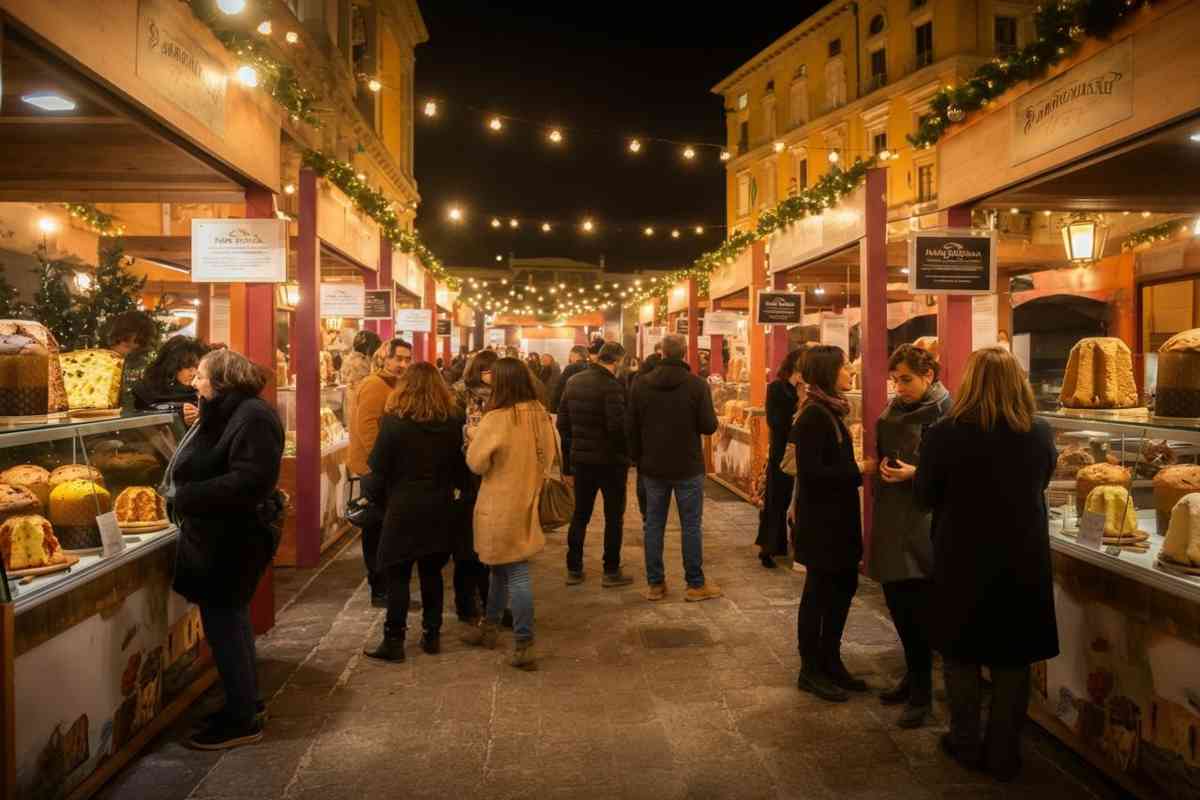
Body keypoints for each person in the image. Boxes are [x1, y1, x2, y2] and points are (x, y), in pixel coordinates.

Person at [914, 347, 1058, 780]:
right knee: (1013, 659)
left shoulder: (943, 433)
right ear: (1019, 382)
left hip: (962, 557)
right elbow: (1043, 482)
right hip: (1022, 558)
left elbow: (924, 497)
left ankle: (964, 740)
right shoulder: (1039, 431)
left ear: (970, 382)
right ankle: (1003, 752)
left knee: (961, 653)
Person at [165, 349, 284, 749]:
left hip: (233, 539)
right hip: (221, 536)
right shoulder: (234, 412)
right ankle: (244, 703)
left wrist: (188, 496)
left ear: (221, 380)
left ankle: (242, 720)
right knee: (230, 624)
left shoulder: (253, 417)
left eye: (200, 377)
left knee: (226, 626)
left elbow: (250, 480)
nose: (194, 383)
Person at [867, 344, 952, 729]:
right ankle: (911, 677)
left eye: (906, 380)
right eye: (894, 380)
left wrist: (914, 474)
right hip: (892, 518)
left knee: (918, 611)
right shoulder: (894, 410)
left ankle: (922, 695)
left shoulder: (947, 416)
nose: (898, 388)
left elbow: (954, 474)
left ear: (928, 376)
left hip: (924, 524)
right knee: (897, 604)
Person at [362, 363, 467, 662]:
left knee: (397, 575)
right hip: (439, 505)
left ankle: (394, 640)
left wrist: (376, 498)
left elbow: (378, 470)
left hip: (403, 508)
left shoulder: (394, 423)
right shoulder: (452, 421)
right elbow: (461, 472)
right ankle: (431, 635)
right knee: (432, 574)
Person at [792, 345, 876, 703]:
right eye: (843, 367)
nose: (849, 372)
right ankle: (810, 669)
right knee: (818, 594)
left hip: (836, 519)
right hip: (821, 523)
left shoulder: (830, 410)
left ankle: (831, 660)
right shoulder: (813, 415)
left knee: (842, 589)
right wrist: (858, 469)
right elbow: (811, 473)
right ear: (828, 371)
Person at [463, 358, 556, 670]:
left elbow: (477, 464)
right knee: (501, 569)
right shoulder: (540, 413)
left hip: (500, 503)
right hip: (529, 497)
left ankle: (524, 642)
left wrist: (472, 438)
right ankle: (490, 628)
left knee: (515, 572)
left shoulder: (498, 418)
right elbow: (551, 455)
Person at [627, 334, 721, 602]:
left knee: (653, 525)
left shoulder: (641, 384)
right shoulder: (696, 385)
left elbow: (630, 426)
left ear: (661, 353)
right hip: (687, 465)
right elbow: (708, 426)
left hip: (652, 466)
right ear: (683, 354)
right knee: (691, 525)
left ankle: (655, 585)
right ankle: (694, 585)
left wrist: (637, 459)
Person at [557, 342, 633, 587]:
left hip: (582, 460)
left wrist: (568, 463)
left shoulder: (573, 382)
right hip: (611, 463)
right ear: (618, 360)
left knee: (580, 515)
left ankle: (574, 568)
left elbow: (563, 425)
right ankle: (611, 571)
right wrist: (627, 455)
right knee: (613, 517)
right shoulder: (612, 386)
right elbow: (617, 429)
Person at [348, 338, 412, 607]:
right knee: (376, 530)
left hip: (385, 468)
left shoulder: (395, 385)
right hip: (375, 469)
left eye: (407, 359)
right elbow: (368, 430)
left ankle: (387, 587)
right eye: (398, 358)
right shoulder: (375, 385)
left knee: (387, 529)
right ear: (383, 358)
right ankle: (379, 589)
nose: (402, 364)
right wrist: (382, 465)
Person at [450, 349, 499, 623]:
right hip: (465, 478)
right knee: (467, 546)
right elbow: (451, 432)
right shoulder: (459, 395)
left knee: (490, 546)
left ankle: (490, 600)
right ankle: (465, 603)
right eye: (490, 371)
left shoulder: (503, 397)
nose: (493, 377)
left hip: (493, 478)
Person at [755, 346, 806, 569]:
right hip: (781, 452)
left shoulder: (807, 389)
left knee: (799, 501)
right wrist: (798, 403)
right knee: (776, 500)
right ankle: (769, 547)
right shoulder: (777, 387)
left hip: (802, 451)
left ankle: (795, 545)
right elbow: (775, 421)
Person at [132, 335, 209, 428]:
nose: (193, 373)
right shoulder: (146, 390)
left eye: (197, 367)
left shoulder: (204, 393)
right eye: (187, 366)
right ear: (172, 366)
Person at [104, 310, 160, 410]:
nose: (129, 353)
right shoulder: (102, 363)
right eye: (127, 345)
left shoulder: (145, 366)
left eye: (136, 349)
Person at [549, 345, 589, 412]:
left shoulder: (571, 368)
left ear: (576, 354)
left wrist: (553, 408)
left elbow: (560, 388)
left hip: (570, 405)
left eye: (571, 355)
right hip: (586, 406)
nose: (570, 358)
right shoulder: (591, 367)